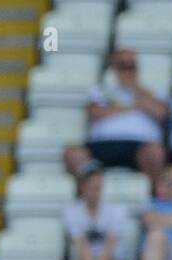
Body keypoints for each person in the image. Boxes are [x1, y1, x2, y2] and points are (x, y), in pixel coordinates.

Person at [64, 48, 166, 181]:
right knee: (72, 153)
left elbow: (161, 113)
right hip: (102, 144)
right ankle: (88, 194)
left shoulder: (154, 91)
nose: (127, 70)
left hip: (140, 145)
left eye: (131, 66)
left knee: (156, 152)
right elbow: (94, 112)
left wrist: (134, 89)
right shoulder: (100, 90)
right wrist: (134, 106)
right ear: (114, 68)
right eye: (123, 65)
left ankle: (153, 195)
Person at [62, 159, 130, 260]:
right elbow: (80, 243)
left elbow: (111, 242)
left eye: (98, 187)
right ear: (82, 187)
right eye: (91, 187)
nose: (95, 191)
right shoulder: (71, 211)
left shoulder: (117, 210)